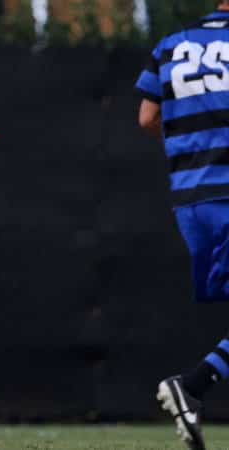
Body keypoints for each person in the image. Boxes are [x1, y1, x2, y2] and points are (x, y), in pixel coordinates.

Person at [137, 1, 229, 449]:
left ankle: (194, 387)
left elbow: (147, 117)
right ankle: (192, 386)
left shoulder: (171, 45)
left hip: (191, 201)